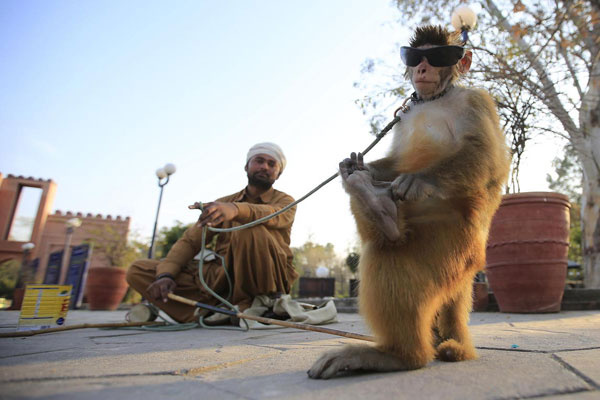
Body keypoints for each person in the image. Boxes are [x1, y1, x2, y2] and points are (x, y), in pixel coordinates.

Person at [126, 142, 298, 323]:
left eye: (272, 164)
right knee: (138, 270)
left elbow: (269, 215)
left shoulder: (285, 201)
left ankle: (257, 306)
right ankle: (210, 313)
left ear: (278, 173)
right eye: (259, 161)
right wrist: (165, 275)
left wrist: (237, 210)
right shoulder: (223, 203)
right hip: (220, 279)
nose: (264, 166)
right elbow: (191, 241)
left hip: (265, 278)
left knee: (249, 227)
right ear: (246, 166)